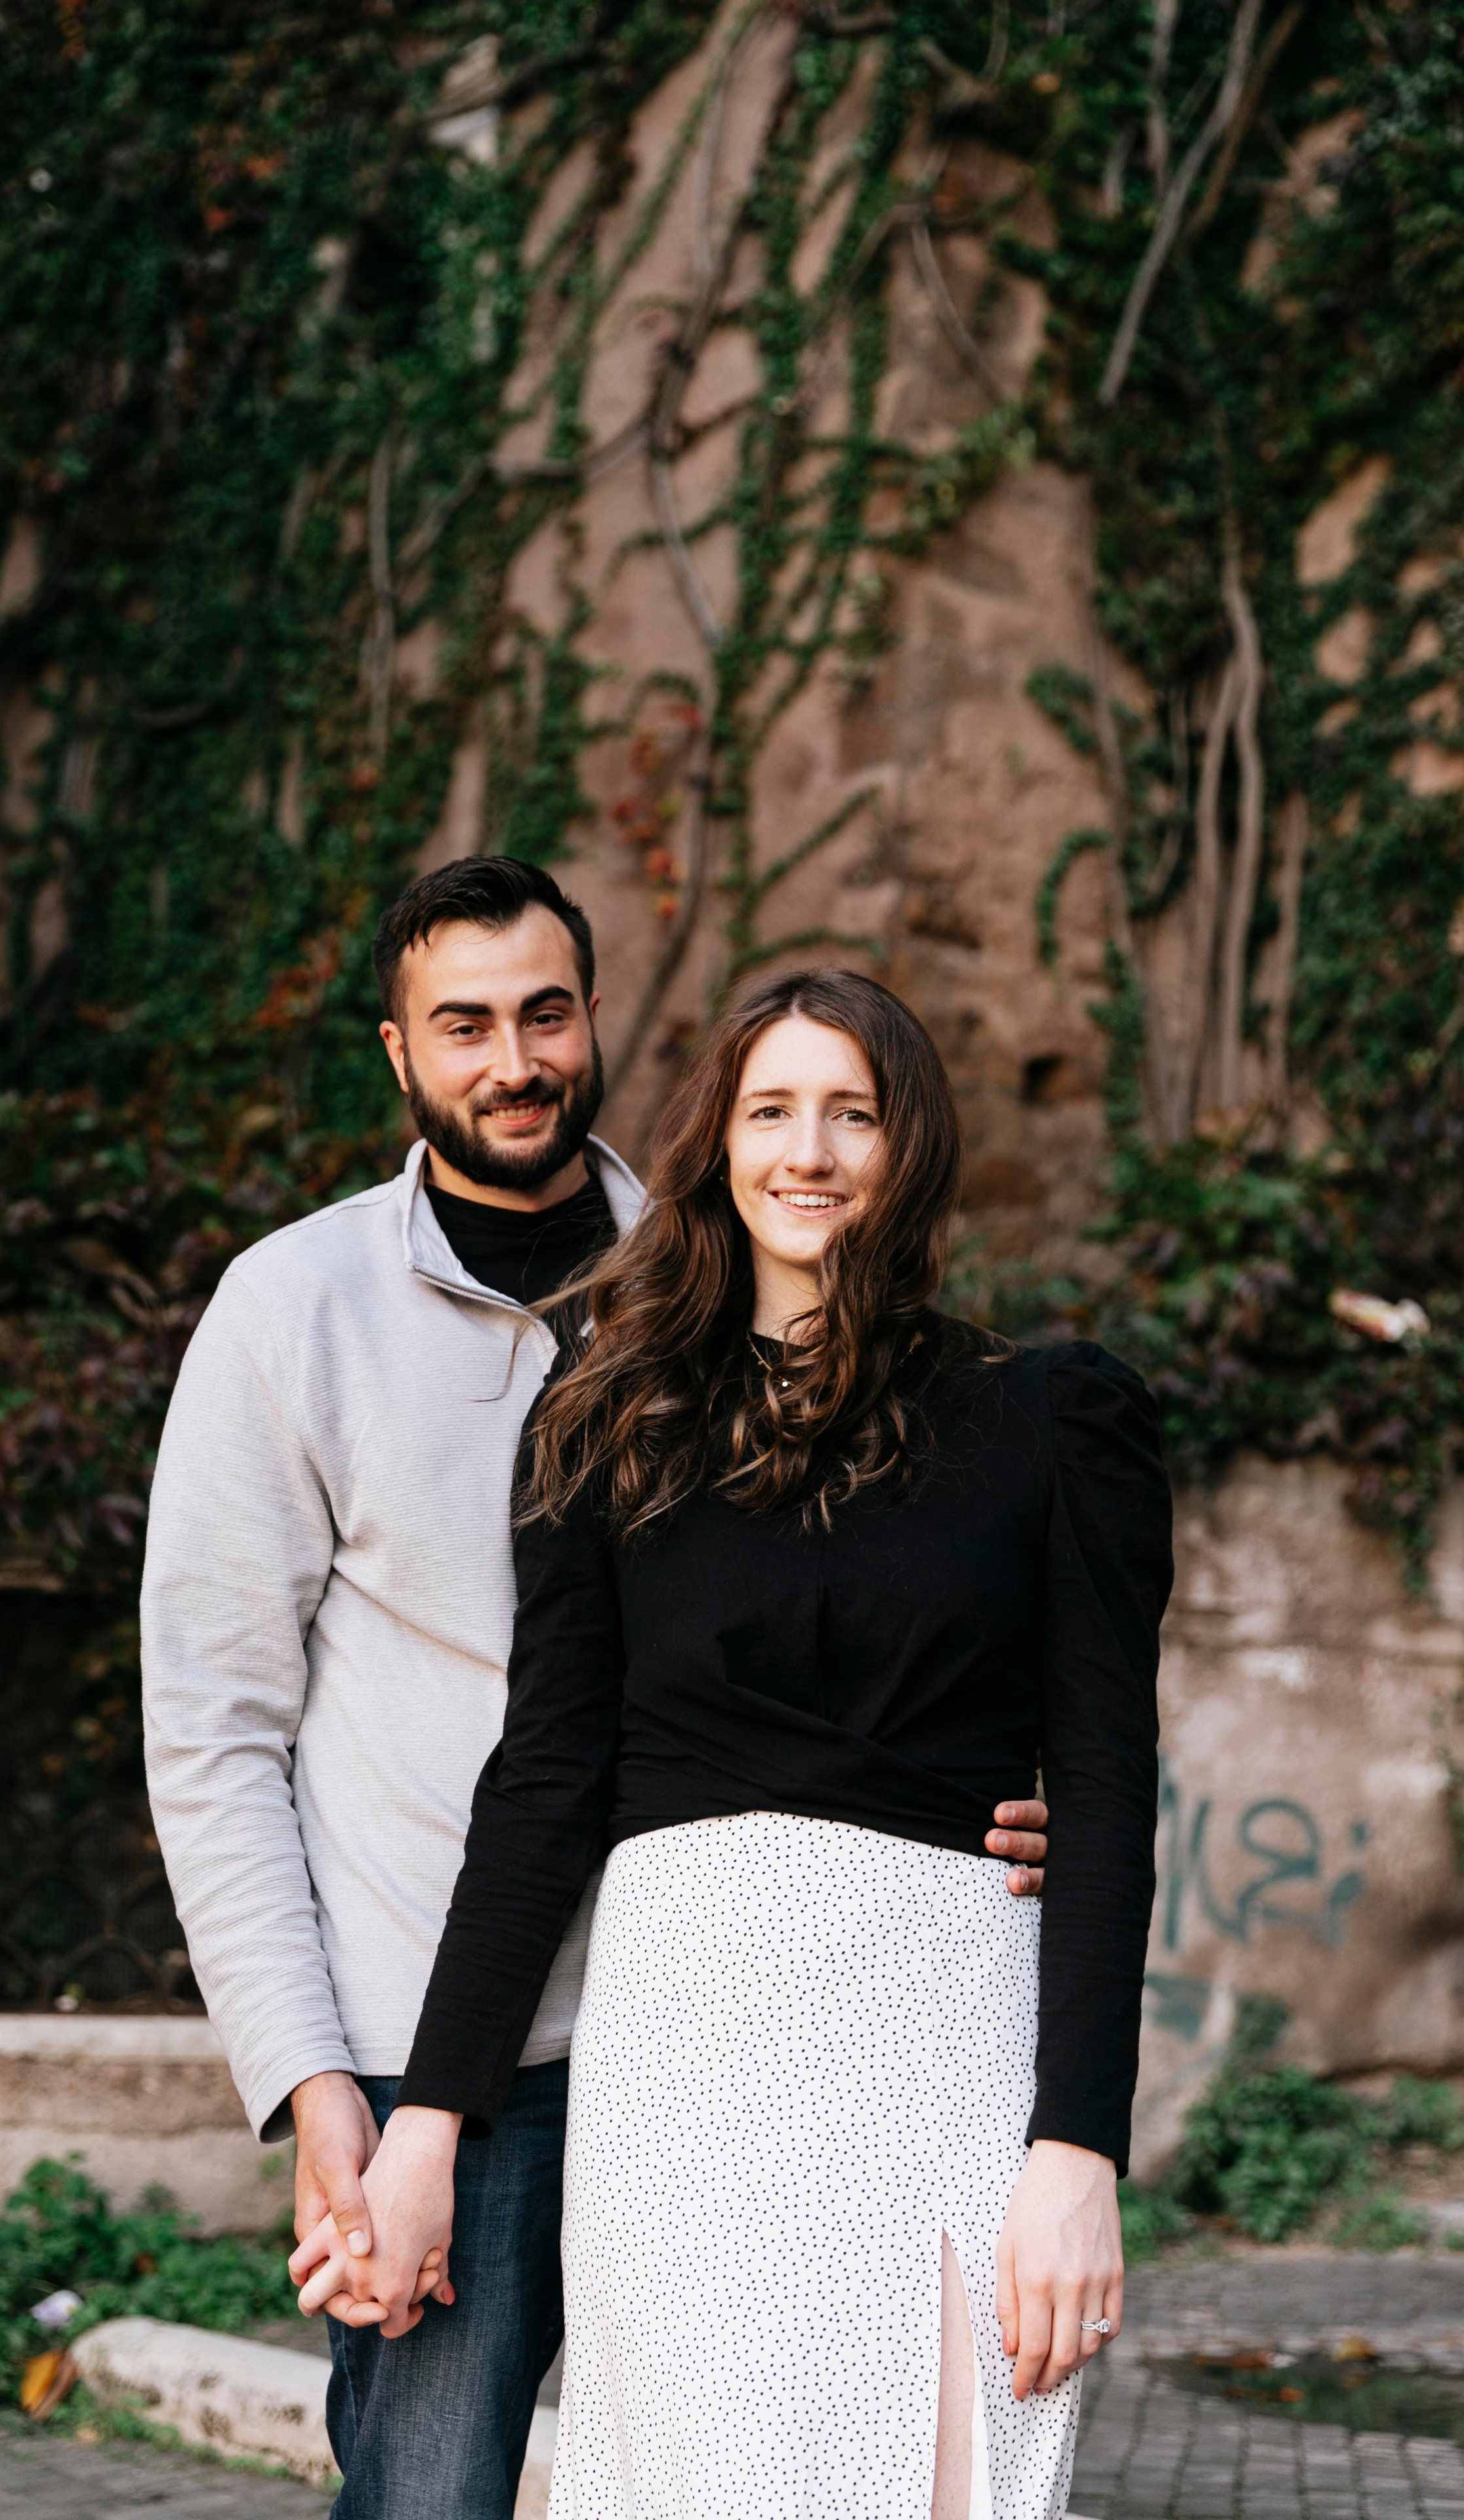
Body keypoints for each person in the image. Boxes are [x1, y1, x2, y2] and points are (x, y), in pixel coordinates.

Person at [143, 872, 1055, 2520]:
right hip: (440, 2054)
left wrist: (972, 1801)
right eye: (463, 1025)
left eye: (544, 1014)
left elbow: (889, 1604)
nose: (513, 1060)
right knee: (426, 2498)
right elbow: (214, 1731)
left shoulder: (741, 1266)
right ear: (396, 1052)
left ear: (594, 1018)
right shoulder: (291, 1311)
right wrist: (314, 2082)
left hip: (710, 2029)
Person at [310, 966, 1171, 2520]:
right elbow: (544, 1785)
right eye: (771, 1110)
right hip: (685, 2052)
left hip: (941, 2041)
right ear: (716, 1142)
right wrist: (426, 2125)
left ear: (911, 1145)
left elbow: (1107, 1796)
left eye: (853, 1113)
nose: (808, 1152)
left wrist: (1078, 2151)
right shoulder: (606, 1420)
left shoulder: (1051, 1420)